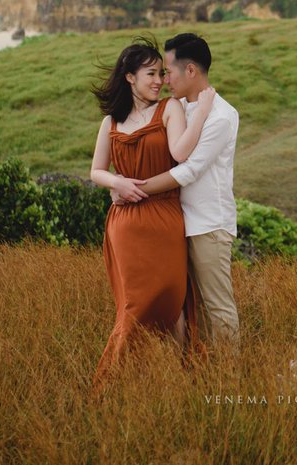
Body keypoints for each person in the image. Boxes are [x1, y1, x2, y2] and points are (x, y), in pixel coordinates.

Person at [88, 36, 215, 387]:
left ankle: (172, 381)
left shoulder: (169, 109)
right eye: (150, 73)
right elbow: (95, 170)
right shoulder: (111, 122)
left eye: (162, 73)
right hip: (125, 226)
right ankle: (118, 383)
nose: (160, 80)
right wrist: (115, 183)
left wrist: (201, 112)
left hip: (163, 218)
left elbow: (181, 152)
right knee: (133, 307)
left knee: (171, 302)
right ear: (130, 77)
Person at [111, 32, 241, 349]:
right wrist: (117, 181)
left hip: (209, 225)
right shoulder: (178, 106)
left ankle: (229, 380)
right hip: (175, 225)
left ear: (191, 71)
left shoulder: (221, 116)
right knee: (185, 309)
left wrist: (133, 190)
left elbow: (189, 170)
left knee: (216, 307)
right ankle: (195, 374)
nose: (164, 79)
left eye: (168, 70)